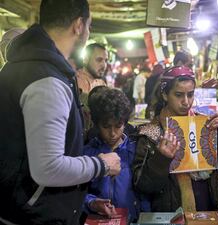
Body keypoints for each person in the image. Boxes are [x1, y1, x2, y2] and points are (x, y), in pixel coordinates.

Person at [0, 1, 121, 224]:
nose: (88, 32)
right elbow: (48, 167)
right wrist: (102, 165)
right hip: (35, 216)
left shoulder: (28, 66)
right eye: (89, 25)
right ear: (78, 25)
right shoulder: (46, 79)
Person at [132, 66, 218, 212]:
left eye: (191, 94)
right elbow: (143, 185)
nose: (186, 102)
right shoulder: (150, 133)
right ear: (165, 95)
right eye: (179, 95)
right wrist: (161, 159)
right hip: (170, 216)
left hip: (207, 212)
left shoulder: (205, 125)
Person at [83, 87, 149, 223]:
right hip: (99, 219)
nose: (112, 133)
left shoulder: (135, 150)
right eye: (106, 126)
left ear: (125, 123)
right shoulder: (88, 153)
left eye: (118, 126)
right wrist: (92, 202)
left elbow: (144, 191)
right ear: (96, 124)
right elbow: (79, 193)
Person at [76, 43, 108, 139]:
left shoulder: (102, 84)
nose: (104, 65)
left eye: (106, 60)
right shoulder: (73, 80)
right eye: (99, 60)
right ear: (85, 59)